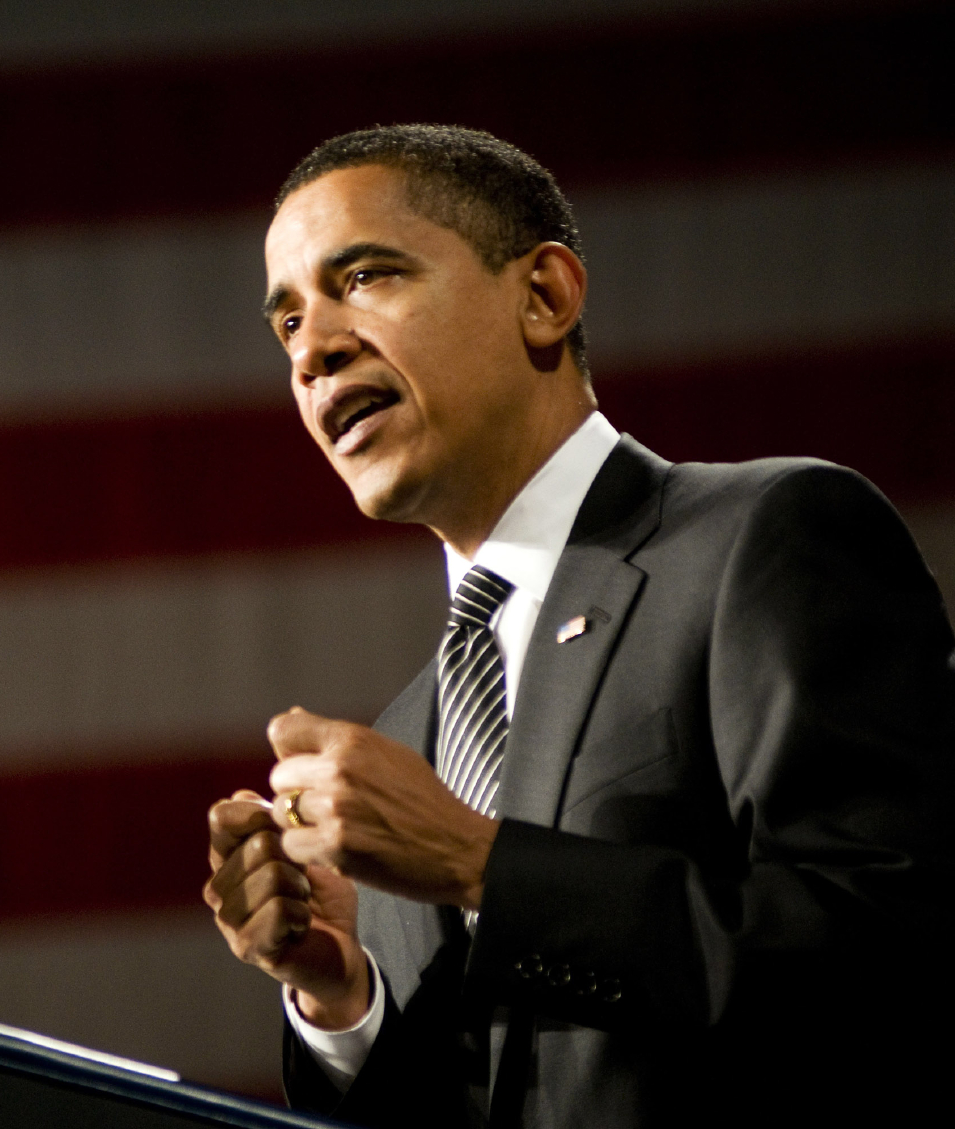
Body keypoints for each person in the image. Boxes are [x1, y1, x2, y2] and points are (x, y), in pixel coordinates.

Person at [203, 124, 954, 1128]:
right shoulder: (404, 742)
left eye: (366, 277)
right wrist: (344, 1002)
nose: (315, 349)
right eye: (287, 323)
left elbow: (890, 955)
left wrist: (478, 862)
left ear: (545, 296)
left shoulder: (763, 540)